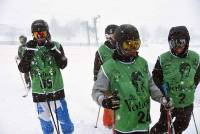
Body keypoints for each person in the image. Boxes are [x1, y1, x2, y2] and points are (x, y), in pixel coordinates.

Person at [92, 24, 163, 134]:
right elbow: (96, 91)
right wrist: (104, 101)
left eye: (136, 44)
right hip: (123, 125)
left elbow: (151, 86)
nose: (133, 49)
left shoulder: (142, 63)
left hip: (142, 123)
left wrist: (162, 98)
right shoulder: (108, 67)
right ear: (119, 45)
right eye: (128, 45)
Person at [18, 19, 74, 134]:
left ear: (47, 33)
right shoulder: (29, 48)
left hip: (56, 91)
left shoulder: (56, 45)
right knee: (46, 126)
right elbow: (22, 69)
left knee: (66, 124)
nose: (39, 37)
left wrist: (53, 49)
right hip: (39, 93)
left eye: (42, 33)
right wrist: (28, 52)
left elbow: (63, 64)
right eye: (36, 34)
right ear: (32, 35)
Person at [150, 26, 200, 134]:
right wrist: (163, 90)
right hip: (169, 102)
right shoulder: (163, 58)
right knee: (163, 126)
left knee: (181, 126)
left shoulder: (195, 57)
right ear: (170, 43)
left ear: (187, 42)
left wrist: (192, 86)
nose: (178, 46)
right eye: (174, 43)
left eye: (181, 42)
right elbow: (156, 76)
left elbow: (197, 75)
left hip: (187, 103)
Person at [93, 24, 119, 128]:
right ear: (108, 36)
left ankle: (122, 120)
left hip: (122, 79)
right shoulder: (101, 51)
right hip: (108, 81)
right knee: (110, 101)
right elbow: (96, 68)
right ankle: (109, 122)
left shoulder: (121, 46)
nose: (116, 38)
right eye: (114, 36)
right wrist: (97, 80)